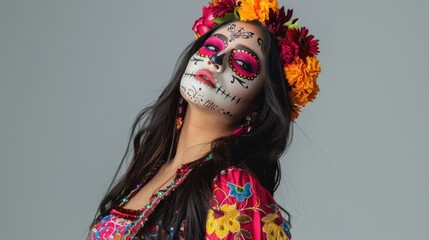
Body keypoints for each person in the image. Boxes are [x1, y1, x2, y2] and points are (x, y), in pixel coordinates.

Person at [88, 0, 321, 239]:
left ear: (258, 104)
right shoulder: (149, 168)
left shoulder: (235, 189)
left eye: (242, 63)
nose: (216, 60)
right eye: (211, 47)